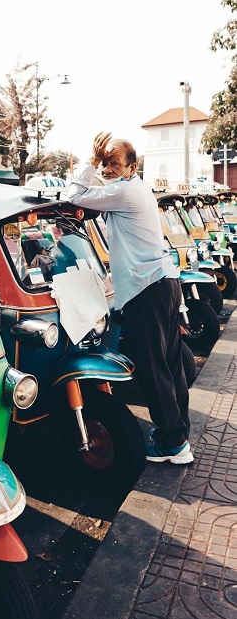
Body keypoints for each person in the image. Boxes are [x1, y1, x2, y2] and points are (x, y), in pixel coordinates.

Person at [67, 132, 193, 464]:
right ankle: (178, 433)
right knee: (171, 365)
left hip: (146, 289)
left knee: (153, 369)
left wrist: (90, 163)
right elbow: (91, 209)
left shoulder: (123, 191)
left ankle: (173, 444)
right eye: (105, 163)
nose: (107, 169)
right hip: (163, 282)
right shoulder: (133, 189)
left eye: (113, 163)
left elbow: (75, 195)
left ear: (131, 166)